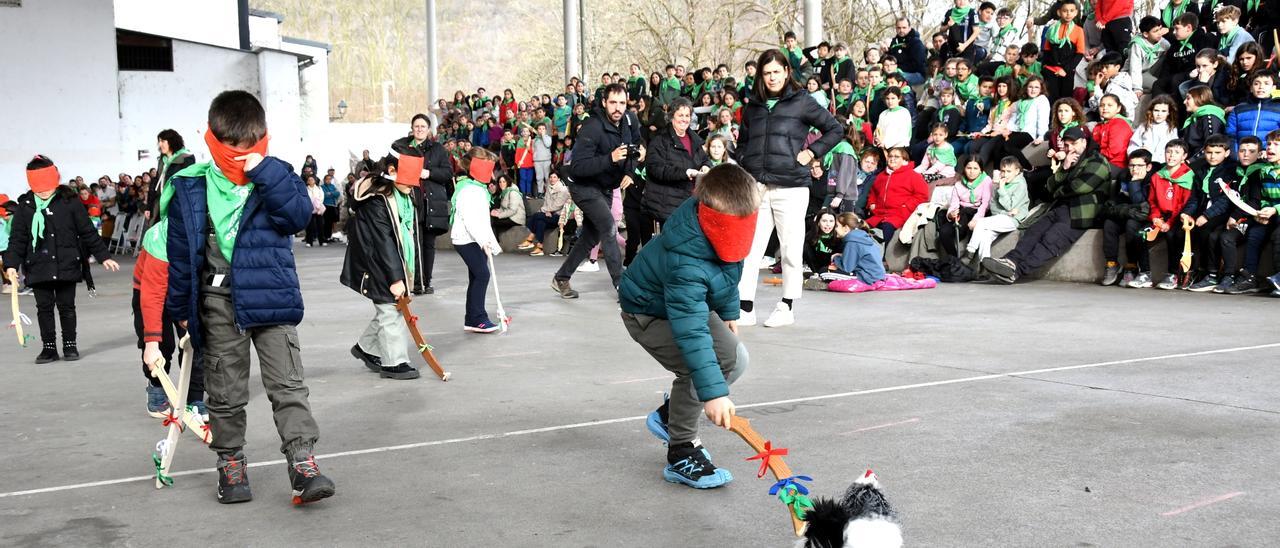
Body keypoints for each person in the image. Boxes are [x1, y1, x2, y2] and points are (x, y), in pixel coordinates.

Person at [164, 90, 334, 505]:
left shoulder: (277, 175)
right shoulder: (190, 186)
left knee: (288, 383)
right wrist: (180, 309)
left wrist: (267, 172)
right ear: (213, 142)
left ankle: (302, 463)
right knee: (224, 390)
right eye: (233, 154)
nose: (241, 160)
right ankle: (230, 463)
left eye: (250, 151)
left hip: (272, 297)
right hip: (218, 300)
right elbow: (181, 255)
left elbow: (296, 216)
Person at [619, 163, 757, 490]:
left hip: (685, 305)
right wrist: (712, 395)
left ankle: (670, 415)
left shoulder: (725, 229)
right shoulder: (686, 262)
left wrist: (729, 312)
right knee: (699, 370)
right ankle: (681, 450)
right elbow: (692, 333)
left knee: (736, 359)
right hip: (647, 313)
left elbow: (727, 272)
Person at [735, 48, 844, 328]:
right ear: (761, 75)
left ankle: (787, 305)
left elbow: (835, 129)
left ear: (787, 72)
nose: (772, 77)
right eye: (766, 72)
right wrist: (746, 163)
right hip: (757, 186)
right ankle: (744, 306)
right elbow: (743, 143)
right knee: (750, 249)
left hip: (791, 186)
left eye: (776, 72)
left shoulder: (802, 101)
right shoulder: (753, 106)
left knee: (790, 250)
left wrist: (812, 153)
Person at [4, 156, 120, 363]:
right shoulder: (25, 206)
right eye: (39, 190)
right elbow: (18, 238)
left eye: (47, 188)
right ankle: (48, 347)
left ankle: (70, 345)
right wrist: (12, 264)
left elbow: (87, 231)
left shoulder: (69, 202)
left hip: (67, 261)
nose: (44, 193)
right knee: (44, 308)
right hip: (38, 264)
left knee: (67, 307)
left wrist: (103, 256)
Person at [982, 127, 1111, 283]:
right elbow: (1049, 187)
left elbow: (1080, 187)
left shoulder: (1098, 161)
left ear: (1084, 142)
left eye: (1074, 144)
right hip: (1059, 208)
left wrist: (1058, 191)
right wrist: (1064, 169)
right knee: (1033, 232)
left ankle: (1015, 272)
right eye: (1067, 145)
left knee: (1051, 240)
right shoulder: (1068, 162)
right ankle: (1010, 261)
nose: (1071, 149)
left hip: (1081, 213)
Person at [552, 83, 644, 299]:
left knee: (590, 237)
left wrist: (630, 172)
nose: (617, 108)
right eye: (613, 102)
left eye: (622, 103)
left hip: (605, 186)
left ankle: (561, 277)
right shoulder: (592, 127)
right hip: (583, 185)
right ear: (604, 103)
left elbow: (635, 149)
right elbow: (578, 167)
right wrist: (609, 159)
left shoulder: (629, 120)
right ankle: (622, 285)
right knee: (608, 227)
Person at [341, 160, 424, 380]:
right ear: (391, 172)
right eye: (409, 180)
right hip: (375, 262)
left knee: (390, 308)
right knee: (390, 308)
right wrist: (396, 278)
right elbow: (383, 241)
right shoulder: (376, 200)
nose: (413, 185)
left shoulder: (402, 194)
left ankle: (366, 347)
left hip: (389, 259)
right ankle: (393, 362)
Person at [390, 114, 452, 295]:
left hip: (430, 202)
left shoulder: (438, 149)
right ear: (411, 128)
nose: (419, 129)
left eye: (422, 126)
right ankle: (413, 280)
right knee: (410, 242)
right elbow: (390, 166)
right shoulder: (401, 146)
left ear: (428, 129)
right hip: (409, 200)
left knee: (428, 244)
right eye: (416, 126)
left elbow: (447, 173)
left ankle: (426, 280)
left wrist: (429, 173)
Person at [450, 148, 504, 332]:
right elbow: (471, 220)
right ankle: (477, 318)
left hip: (474, 238)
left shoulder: (479, 189)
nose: (491, 173)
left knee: (476, 276)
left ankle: (471, 318)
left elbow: (482, 221)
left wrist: (488, 241)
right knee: (482, 275)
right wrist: (483, 241)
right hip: (466, 239)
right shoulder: (469, 190)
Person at [1182, 136, 1239, 291]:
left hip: (1222, 212)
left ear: (1226, 153)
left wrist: (1206, 216)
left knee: (1209, 233)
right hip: (1204, 210)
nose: (1213, 156)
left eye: (1217, 152)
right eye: (1209, 152)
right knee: (1186, 230)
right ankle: (1193, 271)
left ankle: (1212, 273)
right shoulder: (1200, 170)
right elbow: (1195, 197)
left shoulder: (1231, 170)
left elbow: (1226, 199)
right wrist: (1187, 213)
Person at [644, 98, 712, 226]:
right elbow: (655, 169)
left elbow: (705, 159)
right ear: (671, 116)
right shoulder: (660, 140)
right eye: (680, 115)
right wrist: (685, 173)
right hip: (668, 205)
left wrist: (706, 166)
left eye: (687, 115)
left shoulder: (694, 139)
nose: (684, 119)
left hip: (690, 202)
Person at [1215, 136, 1266, 293]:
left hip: (1253, 218)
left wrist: (1236, 216)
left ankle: (1238, 276)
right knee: (1219, 235)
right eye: (1242, 150)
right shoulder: (1233, 170)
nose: (1245, 154)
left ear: (1259, 154)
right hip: (1237, 216)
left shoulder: (1259, 172)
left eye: (1251, 151)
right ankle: (1221, 275)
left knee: (1234, 237)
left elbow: (1255, 201)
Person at [1145, 140, 1196, 290]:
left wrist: (1170, 222)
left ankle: (1173, 274)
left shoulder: (1188, 176)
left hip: (1179, 217)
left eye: (1177, 152)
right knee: (1139, 233)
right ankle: (1142, 273)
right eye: (1169, 151)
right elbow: (1152, 201)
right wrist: (1155, 217)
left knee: (1173, 235)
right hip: (1161, 217)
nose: (1171, 156)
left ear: (1184, 156)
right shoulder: (1157, 176)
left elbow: (1184, 204)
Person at [1100, 149, 1155, 288]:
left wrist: (1135, 182)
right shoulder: (1124, 175)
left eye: (1139, 166)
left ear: (1148, 167)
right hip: (1127, 212)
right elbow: (1119, 199)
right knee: (1109, 224)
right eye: (1131, 165)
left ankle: (1131, 266)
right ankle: (1112, 264)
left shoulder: (1152, 179)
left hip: (1143, 218)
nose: (1134, 169)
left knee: (1131, 225)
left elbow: (1142, 205)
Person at [966, 156, 1030, 261]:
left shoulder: (1020, 184)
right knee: (985, 237)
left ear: (1017, 171)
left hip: (1013, 220)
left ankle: (969, 252)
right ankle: (984, 266)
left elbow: (1010, 206)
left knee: (980, 223)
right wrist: (1005, 212)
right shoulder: (998, 183)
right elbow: (993, 206)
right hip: (1000, 218)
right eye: (1003, 171)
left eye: (1009, 171)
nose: (1005, 174)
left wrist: (1002, 188)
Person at [865, 147, 929, 244]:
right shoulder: (881, 175)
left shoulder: (913, 175)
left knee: (888, 227)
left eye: (896, 156)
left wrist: (906, 206)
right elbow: (873, 192)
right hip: (879, 214)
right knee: (862, 227)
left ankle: (886, 258)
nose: (892, 158)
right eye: (890, 156)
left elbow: (922, 195)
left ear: (904, 160)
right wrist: (871, 203)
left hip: (899, 214)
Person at [939, 155, 993, 259]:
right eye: (969, 168)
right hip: (962, 213)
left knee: (972, 229)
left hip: (979, 212)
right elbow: (954, 204)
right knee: (944, 232)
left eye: (975, 168)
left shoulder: (986, 180)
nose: (972, 171)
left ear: (981, 170)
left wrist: (976, 220)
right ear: (964, 168)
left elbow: (986, 204)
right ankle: (954, 260)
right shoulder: (958, 184)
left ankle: (968, 259)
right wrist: (951, 214)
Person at [1040, 0, 1088, 101]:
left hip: (1067, 71)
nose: (1068, 14)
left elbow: (1080, 53)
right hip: (1051, 70)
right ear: (1059, 12)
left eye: (1071, 11)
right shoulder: (1051, 29)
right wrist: (1045, 67)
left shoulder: (1078, 30)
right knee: (1050, 99)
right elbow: (1046, 50)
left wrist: (1066, 70)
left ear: (1076, 13)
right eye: (1065, 11)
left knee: (1065, 100)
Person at [1225, 71, 1280, 151]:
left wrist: (1269, 152)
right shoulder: (1239, 109)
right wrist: (1236, 155)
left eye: (1266, 83)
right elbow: (1230, 135)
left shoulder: (1278, 109)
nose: (1261, 87)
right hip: (1242, 156)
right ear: (1251, 88)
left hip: (1267, 157)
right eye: (1256, 83)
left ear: (1273, 88)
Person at [520, 171, 570, 256]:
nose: (552, 179)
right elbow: (546, 204)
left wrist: (545, 210)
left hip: (559, 216)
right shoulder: (549, 188)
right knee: (540, 222)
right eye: (550, 177)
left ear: (559, 179)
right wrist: (546, 211)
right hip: (548, 214)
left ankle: (530, 238)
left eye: (554, 177)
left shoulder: (563, 190)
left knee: (536, 216)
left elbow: (557, 206)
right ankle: (540, 248)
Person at [152, 129, 195, 223]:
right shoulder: (162, 160)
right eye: (159, 141)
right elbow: (157, 180)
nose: (160, 144)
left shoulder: (186, 157)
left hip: (177, 203)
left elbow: (189, 181)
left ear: (172, 141)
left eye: (163, 141)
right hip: (161, 202)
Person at [888, 18, 928, 86]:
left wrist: (896, 68)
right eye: (899, 28)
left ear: (909, 28)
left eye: (904, 28)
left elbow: (917, 64)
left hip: (916, 74)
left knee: (895, 79)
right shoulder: (894, 42)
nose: (901, 30)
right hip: (896, 71)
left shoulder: (916, 42)